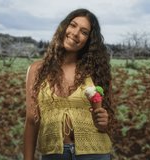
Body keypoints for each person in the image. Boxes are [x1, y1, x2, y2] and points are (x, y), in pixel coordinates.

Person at [24, 8, 114, 160]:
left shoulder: (97, 71)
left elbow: (109, 119)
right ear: (64, 26)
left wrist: (105, 122)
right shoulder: (37, 70)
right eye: (73, 25)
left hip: (94, 153)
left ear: (89, 40)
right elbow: (32, 121)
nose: (75, 33)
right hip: (54, 155)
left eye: (84, 32)